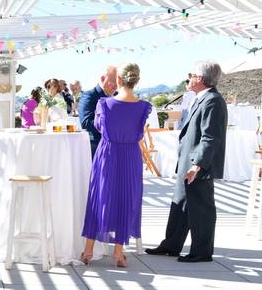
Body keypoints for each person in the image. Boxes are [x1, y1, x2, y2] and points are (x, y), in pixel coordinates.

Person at [145, 61, 227, 263]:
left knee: (201, 208)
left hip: (198, 164)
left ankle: (201, 251)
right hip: (188, 162)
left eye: (190, 74)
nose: (188, 78)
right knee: (181, 204)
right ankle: (171, 245)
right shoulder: (202, 99)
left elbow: (211, 137)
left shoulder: (213, 101)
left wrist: (197, 165)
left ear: (200, 78)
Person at [79, 64, 152, 268]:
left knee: (99, 198)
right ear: (136, 80)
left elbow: (98, 127)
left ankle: (88, 251)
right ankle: (118, 254)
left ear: (119, 80)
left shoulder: (104, 103)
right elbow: (139, 133)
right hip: (130, 156)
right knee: (126, 199)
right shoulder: (143, 107)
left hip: (107, 154)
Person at [78, 66, 118, 158]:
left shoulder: (117, 96)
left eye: (118, 82)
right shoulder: (89, 96)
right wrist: (111, 126)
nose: (116, 85)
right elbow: (86, 122)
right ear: (103, 78)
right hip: (97, 146)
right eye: (113, 81)